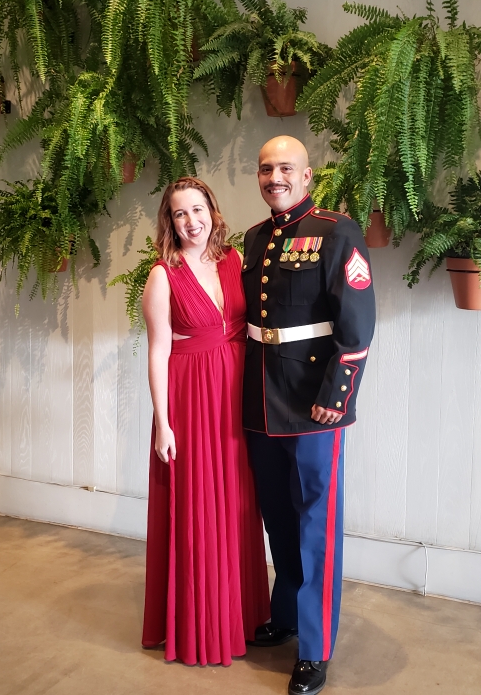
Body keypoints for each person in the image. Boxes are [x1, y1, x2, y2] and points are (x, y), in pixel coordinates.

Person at [241, 136, 376, 695]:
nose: (275, 177)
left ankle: (315, 649)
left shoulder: (336, 231)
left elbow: (357, 327)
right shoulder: (254, 238)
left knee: (317, 524)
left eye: (286, 168)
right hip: (261, 399)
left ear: (307, 175)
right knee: (278, 517)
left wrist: (337, 397)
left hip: (314, 401)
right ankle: (288, 614)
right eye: (266, 168)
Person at [140, 177, 271, 666]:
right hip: (191, 402)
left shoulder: (234, 262)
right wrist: (163, 421)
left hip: (236, 398)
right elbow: (158, 351)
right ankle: (202, 628)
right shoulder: (162, 276)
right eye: (180, 214)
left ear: (213, 212)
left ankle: (241, 615)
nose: (192, 221)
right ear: (169, 222)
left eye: (199, 210)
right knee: (198, 509)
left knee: (237, 506)